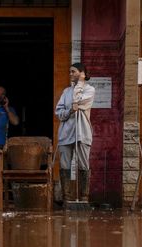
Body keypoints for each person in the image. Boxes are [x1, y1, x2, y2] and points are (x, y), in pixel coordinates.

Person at [55, 62, 95, 203]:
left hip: (82, 132)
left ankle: (84, 198)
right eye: (70, 72)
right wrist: (70, 111)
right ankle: (67, 198)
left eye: (73, 71)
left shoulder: (90, 90)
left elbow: (77, 101)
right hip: (66, 132)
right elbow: (58, 112)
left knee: (83, 164)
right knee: (65, 165)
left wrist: (80, 83)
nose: (70, 74)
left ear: (82, 73)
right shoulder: (66, 92)